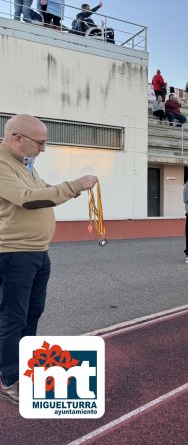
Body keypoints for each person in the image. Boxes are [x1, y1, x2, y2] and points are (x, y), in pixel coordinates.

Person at [0, 115, 97, 405]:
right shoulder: (3, 165)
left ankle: (22, 366)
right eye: (40, 143)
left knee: (32, 313)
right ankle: (9, 378)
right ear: (17, 138)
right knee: (13, 317)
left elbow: (42, 192)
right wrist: (72, 186)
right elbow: (28, 199)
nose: (43, 149)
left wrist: (71, 190)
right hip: (15, 253)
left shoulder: (24, 165)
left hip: (36, 253)